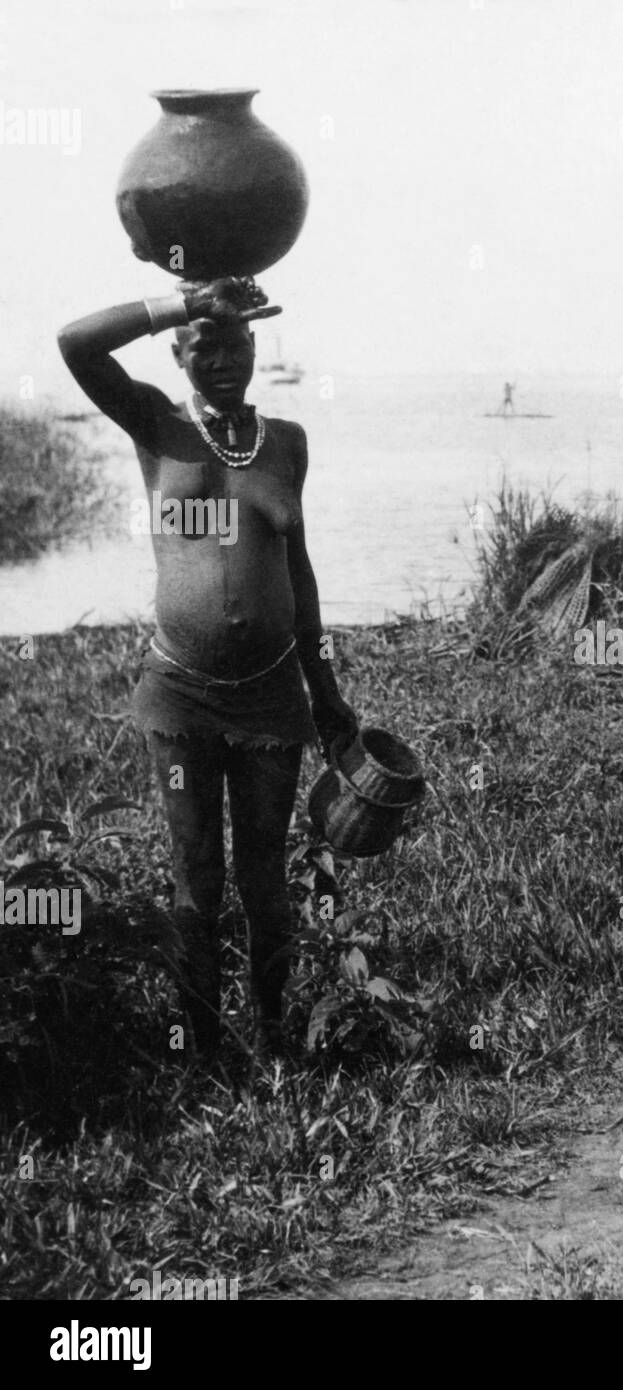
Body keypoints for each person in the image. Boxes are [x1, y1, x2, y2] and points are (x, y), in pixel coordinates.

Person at [58, 276, 358, 1059]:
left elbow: (300, 575)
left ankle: (274, 1037)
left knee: (263, 882)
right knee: (197, 884)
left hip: (270, 698)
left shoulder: (286, 442)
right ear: (181, 352)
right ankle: (200, 1048)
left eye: (235, 344)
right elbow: (75, 343)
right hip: (180, 697)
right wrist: (187, 301)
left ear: (256, 347)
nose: (222, 360)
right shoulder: (156, 424)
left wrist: (327, 698)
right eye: (204, 346)